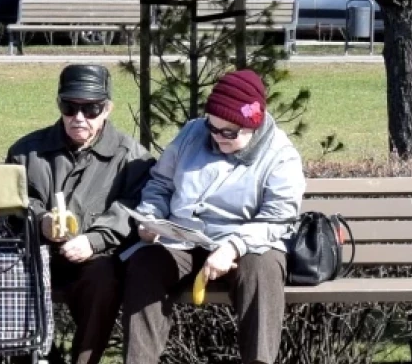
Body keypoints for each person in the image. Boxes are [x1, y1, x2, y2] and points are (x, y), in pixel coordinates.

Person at [120, 69, 306, 364]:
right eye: (213, 127)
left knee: (263, 266)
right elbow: (160, 184)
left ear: (252, 125)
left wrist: (233, 246)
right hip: (182, 239)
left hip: (244, 244)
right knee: (146, 263)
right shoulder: (193, 132)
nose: (218, 136)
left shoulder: (281, 155)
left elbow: (279, 217)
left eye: (229, 132)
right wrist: (150, 218)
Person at [5, 64, 154, 364]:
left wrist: (94, 240)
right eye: (69, 107)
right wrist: (40, 222)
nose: (79, 118)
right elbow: (12, 205)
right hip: (38, 255)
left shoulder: (131, 156)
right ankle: (38, 357)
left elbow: (133, 207)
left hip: (97, 258)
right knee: (9, 276)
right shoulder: (26, 151)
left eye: (91, 109)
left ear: (108, 109)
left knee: (103, 278)